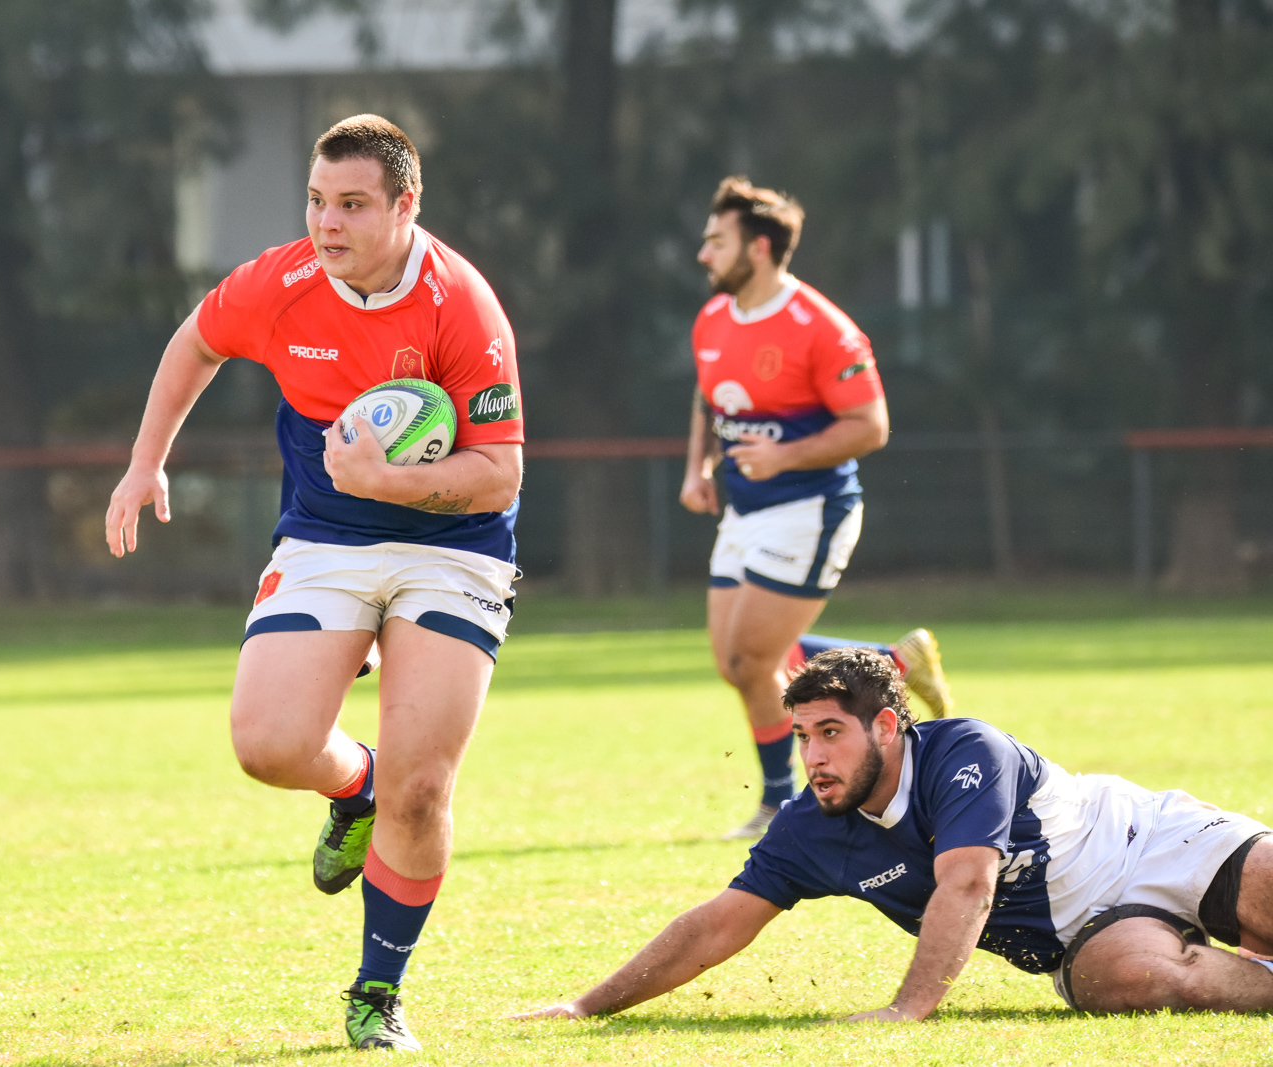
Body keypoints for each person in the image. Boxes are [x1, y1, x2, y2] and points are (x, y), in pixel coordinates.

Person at [105, 115, 524, 1052]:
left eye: (352, 205)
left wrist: (392, 481)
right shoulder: (283, 280)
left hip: (453, 549)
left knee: (425, 791)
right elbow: (194, 343)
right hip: (327, 536)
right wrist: (146, 462)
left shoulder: (462, 305)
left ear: (405, 205)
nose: (327, 224)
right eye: (317, 201)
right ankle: (353, 784)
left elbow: (501, 474)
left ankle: (378, 990)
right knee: (267, 744)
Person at [515, 647, 1273, 1023]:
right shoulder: (809, 826)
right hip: (1083, 938)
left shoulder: (966, 750)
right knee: (1139, 981)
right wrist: (588, 1006)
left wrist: (908, 1007)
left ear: (886, 724)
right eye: (803, 735)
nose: (811, 756)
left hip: (1151, 840)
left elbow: (969, 882)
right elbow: (715, 924)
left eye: (831, 733)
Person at [678, 176, 953, 841]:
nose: (703, 254)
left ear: (761, 247)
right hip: (745, 511)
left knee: (751, 659)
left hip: (811, 508)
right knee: (734, 660)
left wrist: (783, 458)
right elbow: (707, 395)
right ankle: (889, 661)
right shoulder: (714, 318)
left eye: (718, 241)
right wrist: (699, 465)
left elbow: (870, 424)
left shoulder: (821, 327)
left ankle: (781, 804)